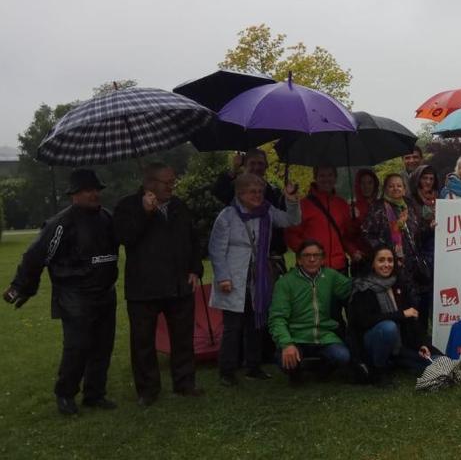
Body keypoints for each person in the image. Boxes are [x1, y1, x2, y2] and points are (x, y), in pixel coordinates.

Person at [3, 169, 118, 415]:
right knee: (77, 347)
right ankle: (65, 394)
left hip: (105, 293)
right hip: (75, 296)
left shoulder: (107, 218)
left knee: (103, 346)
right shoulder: (60, 224)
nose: (94, 194)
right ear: (74, 194)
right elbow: (35, 255)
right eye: (88, 190)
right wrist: (21, 287)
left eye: (97, 189)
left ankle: (95, 394)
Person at [114, 163, 204, 406]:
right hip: (144, 288)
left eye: (173, 181)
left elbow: (193, 240)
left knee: (183, 338)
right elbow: (124, 237)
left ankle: (185, 383)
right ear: (150, 183)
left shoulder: (179, 206)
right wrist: (146, 213)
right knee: (143, 342)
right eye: (167, 182)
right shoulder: (127, 206)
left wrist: (196, 269)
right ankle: (148, 390)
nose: (172, 186)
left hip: (178, 285)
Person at [208, 173, 302, 387]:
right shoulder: (227, 215)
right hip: (234, 276)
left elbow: (291, 220)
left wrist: (291, 200)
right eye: (252, 192)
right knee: (233, 326)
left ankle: (253, 366)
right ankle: (227, 370)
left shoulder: (266, 212)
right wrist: (223, 276)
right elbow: (216, 250)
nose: (257, 196)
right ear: (240, 193)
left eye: (260, 192)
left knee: (256, 323)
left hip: (258, 277)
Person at [348, 246, 434, 386]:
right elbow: (364, 321)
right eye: (381, 260)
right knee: (388, 327)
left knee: (437, 361)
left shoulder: (397, 284)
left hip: (399, 346)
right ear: (372, 263)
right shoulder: (363, 287)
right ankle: (378, 371)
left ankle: (395, 362)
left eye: (390, 260)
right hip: (370, 345)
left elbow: (412, 316)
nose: (386, 264)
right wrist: (401, 314)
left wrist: (422, 344)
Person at [269, 240, 352, 383]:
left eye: (316, 255)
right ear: (299, 260)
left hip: (324, 335)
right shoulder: (285, 283)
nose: (312, 259)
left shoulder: (331, 276)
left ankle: (322, 371)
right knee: (286, 361)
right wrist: (287, 344)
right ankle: (295, 372)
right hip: (296, 337)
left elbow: (351, 289)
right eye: (307, 255)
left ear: (322, 259)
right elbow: (277, 318)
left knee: (342, 356)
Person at [212, 149, 289, 273]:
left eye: (260, 164)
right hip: (243, 261)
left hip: (269, 259)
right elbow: (218, 191)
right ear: (245, 165)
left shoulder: (274, 192)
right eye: (252, 163)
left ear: (266, 166)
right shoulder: (236, 189)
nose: (256, 167)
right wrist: (234, 169)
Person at [285, 166, 363, 273]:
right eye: (322, 175)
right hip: (312, 266)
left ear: (335, 178)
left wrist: (353, 250)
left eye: (330, 175)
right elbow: (291, 235)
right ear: (315, 178)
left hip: (339, 266)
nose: (326, 179)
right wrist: (307, 254)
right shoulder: (303, 205)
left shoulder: (342, 204)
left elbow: (345, 236)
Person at [362, 174, 423, 288]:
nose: (396, 188)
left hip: (412, 263)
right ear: (385, 189)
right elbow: (367, 233)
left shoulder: (409, 206)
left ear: (404, 189)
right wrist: (385, 251)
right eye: (391, 186)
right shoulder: (377, 208)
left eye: (399, 186)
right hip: (389, 264)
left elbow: (418, 230)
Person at [408, 164, 440, 329]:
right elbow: (412, 230)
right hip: (420, 252)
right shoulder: (411, 200)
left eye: (431, 179)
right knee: (422, 295)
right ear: (418, 179)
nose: (428, 182)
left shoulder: (438, 197)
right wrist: (428, 228)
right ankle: (420, 330)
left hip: (439, 250)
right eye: (424, 178)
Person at [351, 168, 381, 272]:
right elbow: (346, 236)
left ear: (375, 184)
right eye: (362, 183)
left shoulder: (381, 205)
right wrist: (353, 251)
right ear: (358, 185)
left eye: (370, 182)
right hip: (361, 259)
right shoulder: (352, 208)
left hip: (381, 256)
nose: (366, 186)